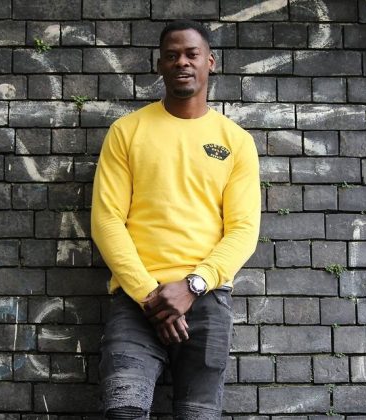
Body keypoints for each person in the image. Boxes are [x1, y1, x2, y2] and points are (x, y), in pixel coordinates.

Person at [91, 19, 261, 420]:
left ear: (210, 62)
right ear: (159, 65)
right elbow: (107, 220)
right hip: (136, 302)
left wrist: (193, 285)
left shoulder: (236, 141)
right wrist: (151, 297)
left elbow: (243, 229)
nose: (181, 62)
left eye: (191, 54)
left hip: (207, 299)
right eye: (171, 56)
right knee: (123, 412)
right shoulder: (127, 131)